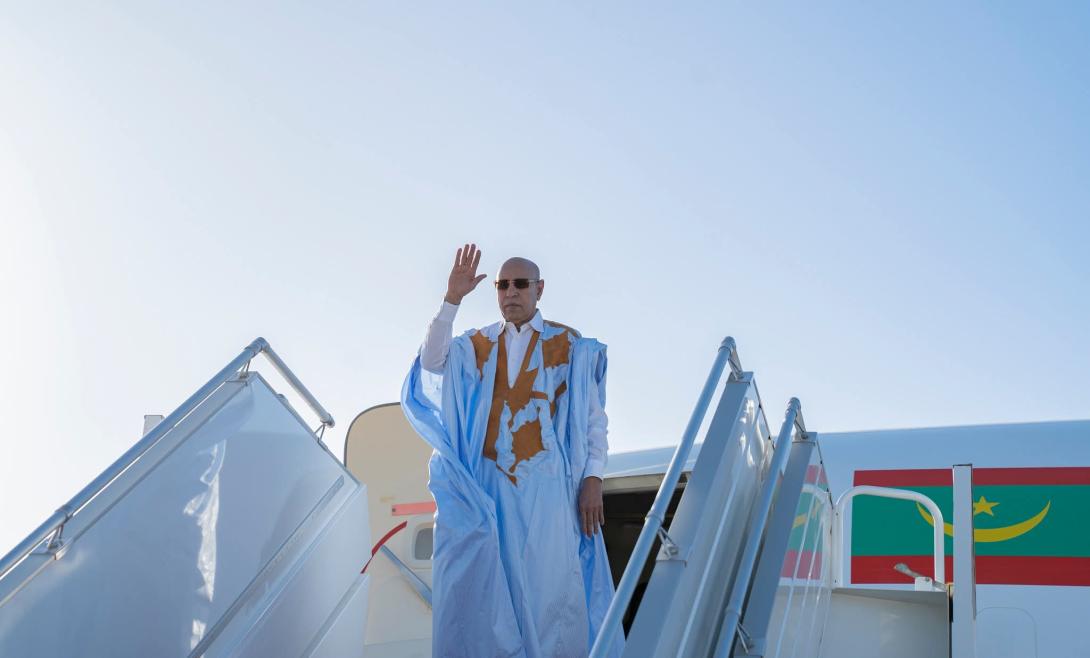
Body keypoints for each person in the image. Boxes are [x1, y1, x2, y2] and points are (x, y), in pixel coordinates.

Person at [401, 244, 622, 658]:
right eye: (503, 285)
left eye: (521, 284)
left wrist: (593, 477)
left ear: (540, 289)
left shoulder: (569, 345)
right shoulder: (476, 344)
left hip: (549, 491)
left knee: (549, 593)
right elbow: (431, 362)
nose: (511, 292)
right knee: (485, 591)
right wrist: (452, 299)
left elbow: (594, 420)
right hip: (487, 490)